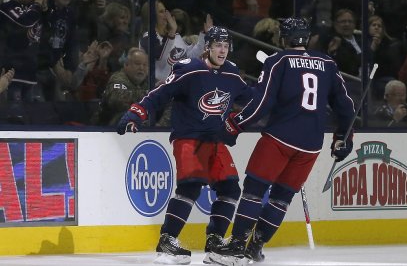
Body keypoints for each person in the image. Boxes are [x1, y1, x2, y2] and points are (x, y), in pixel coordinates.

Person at [209, 17, 355, 265]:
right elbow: (346, 107)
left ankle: (236, 247)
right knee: (281, 199)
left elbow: (261, 103)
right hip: (310, 146)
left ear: (285, 38)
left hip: (279, 139)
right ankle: (254, 247)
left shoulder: (278, 61)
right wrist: (343, 139)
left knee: (254, 193)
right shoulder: (328, 63)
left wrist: (234, 125)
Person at [116, 26, 254, 265]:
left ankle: (215, 243)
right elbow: (159, 93)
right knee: (191, 186)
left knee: (230, 189)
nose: (222, 50)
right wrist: (135, 114)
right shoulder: (190, 69)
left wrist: (281, 95)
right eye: (218, 45)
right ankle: (168, 241)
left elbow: (253, 99)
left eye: (226, 46)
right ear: (208, 47)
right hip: (189, 137)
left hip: (215, 139)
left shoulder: (232, 74)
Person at [91, 47, 148, 126]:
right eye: (137, 64)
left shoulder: (150, 82)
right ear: (126, 65)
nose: (141, 68)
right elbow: (118, 100)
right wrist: (149, 94)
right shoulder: (118, 78)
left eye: (145, 65)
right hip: (107, 129)